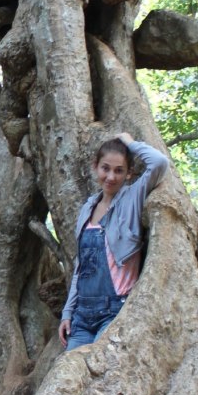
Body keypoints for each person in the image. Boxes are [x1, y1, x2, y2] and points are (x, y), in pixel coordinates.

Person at [58, 131, 169, 351]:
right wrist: (67, 312)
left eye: (119, 171)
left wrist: (129, 142)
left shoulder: (132, 198)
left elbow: (159, 162)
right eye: (105, 168)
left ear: (129, 174)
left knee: (103, 374)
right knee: (71, 375)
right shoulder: (87, 209)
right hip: (82, 315)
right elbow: (81, 267)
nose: (111, 177)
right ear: (95, 166)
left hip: (114, 311)